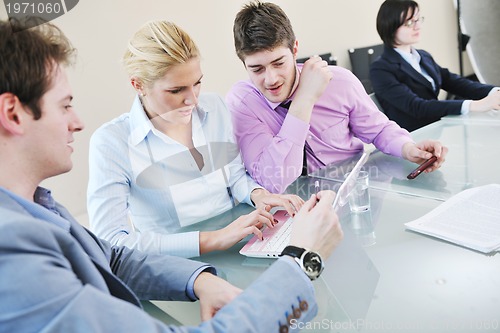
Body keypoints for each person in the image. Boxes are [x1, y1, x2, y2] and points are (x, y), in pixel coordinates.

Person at [0, 17, 344, 332]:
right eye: (64, 105)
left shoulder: (43, 207)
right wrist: (300, 260)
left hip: (222, 256)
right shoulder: (16, 249)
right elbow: (116, 243)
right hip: (188, 258)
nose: (78, 122)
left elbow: (111, 257)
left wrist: (200, 279)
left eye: (196, 84)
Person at [87, 21, 304, 258]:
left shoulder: (215, 108)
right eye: (176, 90)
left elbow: (234, 175)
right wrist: (215, 238)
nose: (193, 100)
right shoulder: (111, 142)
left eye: (197, 83)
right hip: (175, 265)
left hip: (240, 245)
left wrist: (259, 195)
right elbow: (112, 241)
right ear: (138, 85)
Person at [226, 1, 448, 194]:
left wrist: (408, 148)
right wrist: (305, 99)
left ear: (294, 49)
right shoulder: (243, 103)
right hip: (293, 211)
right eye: (257, 69)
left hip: (354, 195)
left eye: (278, 63)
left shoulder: (339, 81)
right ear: (243, 64)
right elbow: (275, 182)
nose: (271, 79)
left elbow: (379, 130)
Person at [370, 0, 500, 132]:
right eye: (409, 23)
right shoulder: (381, 69)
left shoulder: (423, 56)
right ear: (390, 27)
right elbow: (416, 107)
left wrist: (495, 91)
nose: (417, 26)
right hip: (412, 140)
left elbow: (454, 82)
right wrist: (475, 105)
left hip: (437, 129)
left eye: (418, 19)